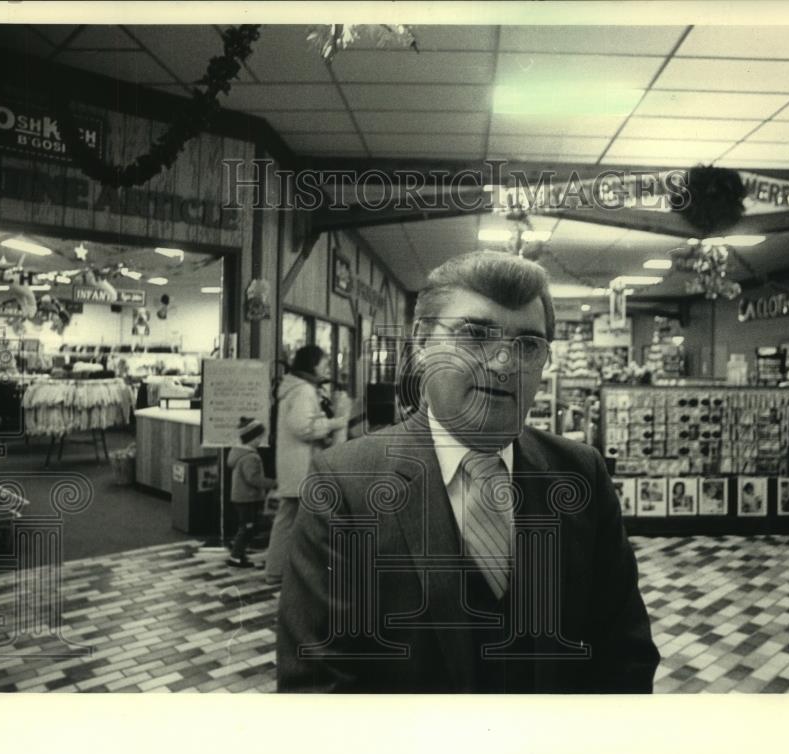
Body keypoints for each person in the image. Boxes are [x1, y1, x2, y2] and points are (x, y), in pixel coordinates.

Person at [277, 250, 660, 693]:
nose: (502, 363)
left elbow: (624, 651)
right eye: (474, 335)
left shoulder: (580, 474)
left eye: (528, 345)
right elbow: (319, 684)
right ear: (421, 344)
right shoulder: (346, 486)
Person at [263, 345, 349, 584]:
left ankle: (276, 570)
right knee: (311, 522)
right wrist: (335, 423)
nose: (326, 366)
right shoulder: (303, 391)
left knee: (287, 518)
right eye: (323, 361)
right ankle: (307, 573)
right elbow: (303, 427)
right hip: (302, 468)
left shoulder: (295, 388)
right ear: (312, 364)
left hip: (292, 466)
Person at [226, 416, 275, 568]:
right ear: (251, 437)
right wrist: (273, 483)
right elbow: (253, 479)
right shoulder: (250, 457)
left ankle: (239, 553)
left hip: (242, 498)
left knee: (247, 527)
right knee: (247, 528)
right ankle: (235, 557)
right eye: (259, 437)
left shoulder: (240, 453)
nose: (260, 440)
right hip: (247, 498)